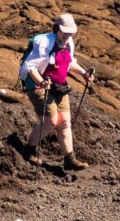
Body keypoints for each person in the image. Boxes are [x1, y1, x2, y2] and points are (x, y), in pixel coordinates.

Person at [20, 13, 94, 170]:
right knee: (51, 121)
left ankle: (69, 159)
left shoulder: (69, 43)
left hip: (59, 86)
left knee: (65, 121)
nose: (67, 35)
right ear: (57, 29)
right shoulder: (45, 43)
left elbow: (69, 62)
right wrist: (42, 82)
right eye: (64, 32)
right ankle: (29, 150)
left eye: (70, 32)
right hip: (38, 86)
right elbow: (31, 67)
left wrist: (83, 73)